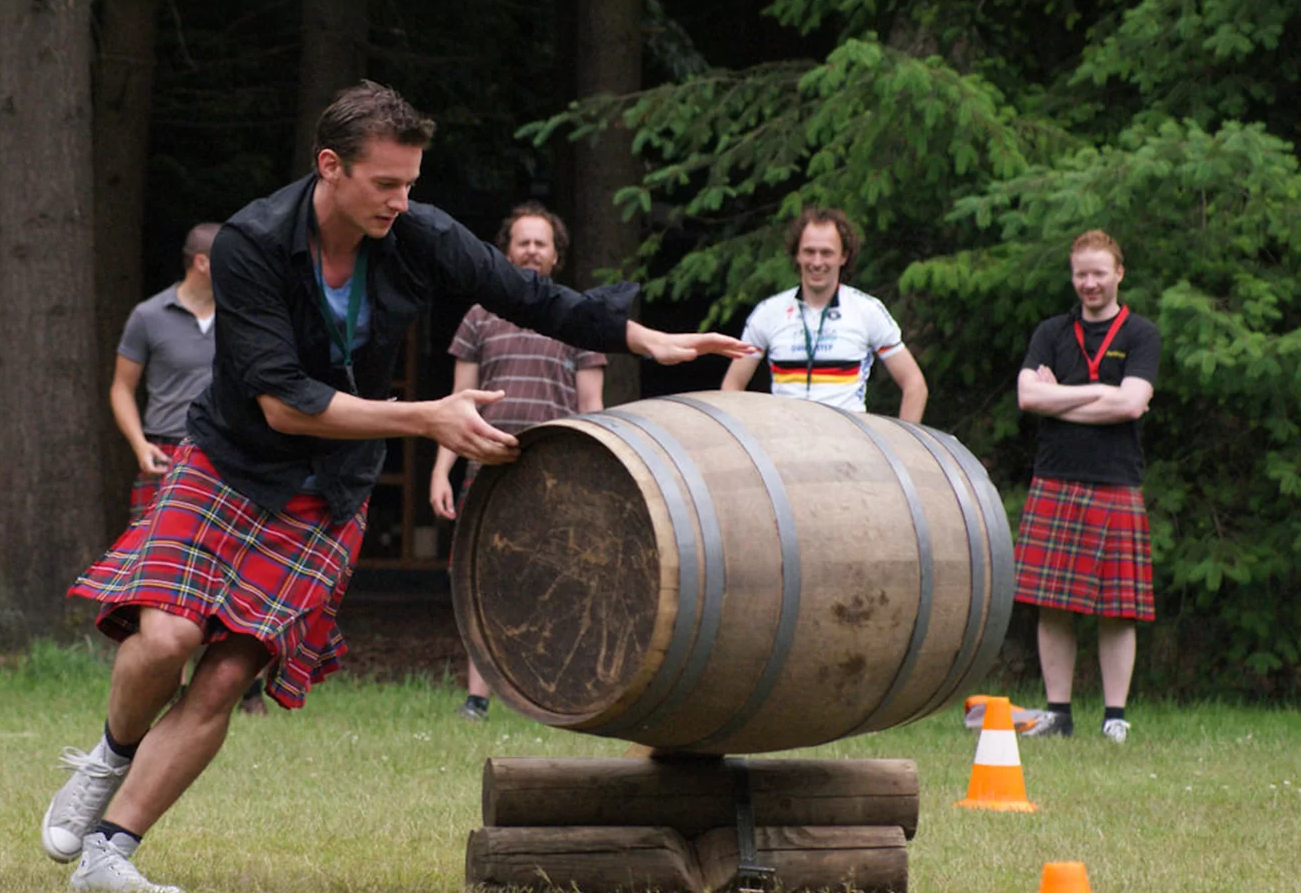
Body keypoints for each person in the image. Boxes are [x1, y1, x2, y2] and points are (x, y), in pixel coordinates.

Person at [41, 80, 753, 893]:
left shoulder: (415, 233)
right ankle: (110, 755)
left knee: (230, 672)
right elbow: (282, 401)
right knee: (165, 640)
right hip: (232, 462)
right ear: (330, 166)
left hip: (330, 485)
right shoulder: (252, 243)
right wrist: (425, 417)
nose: (401, 200)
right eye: (385, 183)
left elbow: (525, 294)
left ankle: (109, 855)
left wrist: (640, 337)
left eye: (411, 183)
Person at [428, 202, 604, 722]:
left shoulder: (579, 314)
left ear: (556, 255)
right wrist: (442, 470)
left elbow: (593, 407)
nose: (531, 250)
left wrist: (598, 470)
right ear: (506, 251)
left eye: (541, 243)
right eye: (522, 242)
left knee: (564, 579)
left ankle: (556, 696)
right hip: (485, 465)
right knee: (481, 578)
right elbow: (455, 402)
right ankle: (477, 700)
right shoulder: (481, 315)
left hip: (559, 471)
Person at [109, 223, 268, 717]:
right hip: (167, 456)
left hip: (232, 457)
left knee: (242, 570)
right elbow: (120, 387)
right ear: (202, 262)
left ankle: (247, 690)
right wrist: (139, 446)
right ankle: (169, 688)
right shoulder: (148, 316)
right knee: (162, 583)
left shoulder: (242, 316)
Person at [1013, 229, 1161, 743]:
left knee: (1119, 609)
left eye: (1099, 273)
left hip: (1116, 479)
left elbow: (1132, 404)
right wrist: (1103, 395)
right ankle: (1058, 713)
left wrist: (1068, 396)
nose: (1089, 283)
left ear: (1119, 272)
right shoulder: (1052, 332)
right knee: (1053, 603)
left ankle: (1114, 715)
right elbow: (1028, 398)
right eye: (1081, 273)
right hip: (1056, 476)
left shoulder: (1140, 334)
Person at [720, 207, 928, 421]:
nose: (817, 262)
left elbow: (915, 385)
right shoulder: (769, 312)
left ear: (843, 257)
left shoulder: (867, 311)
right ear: (797, 255)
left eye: (826, 253)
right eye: (809, 252)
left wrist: (902, 450)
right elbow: (732, 385)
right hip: (784, 443)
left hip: (848, 445)